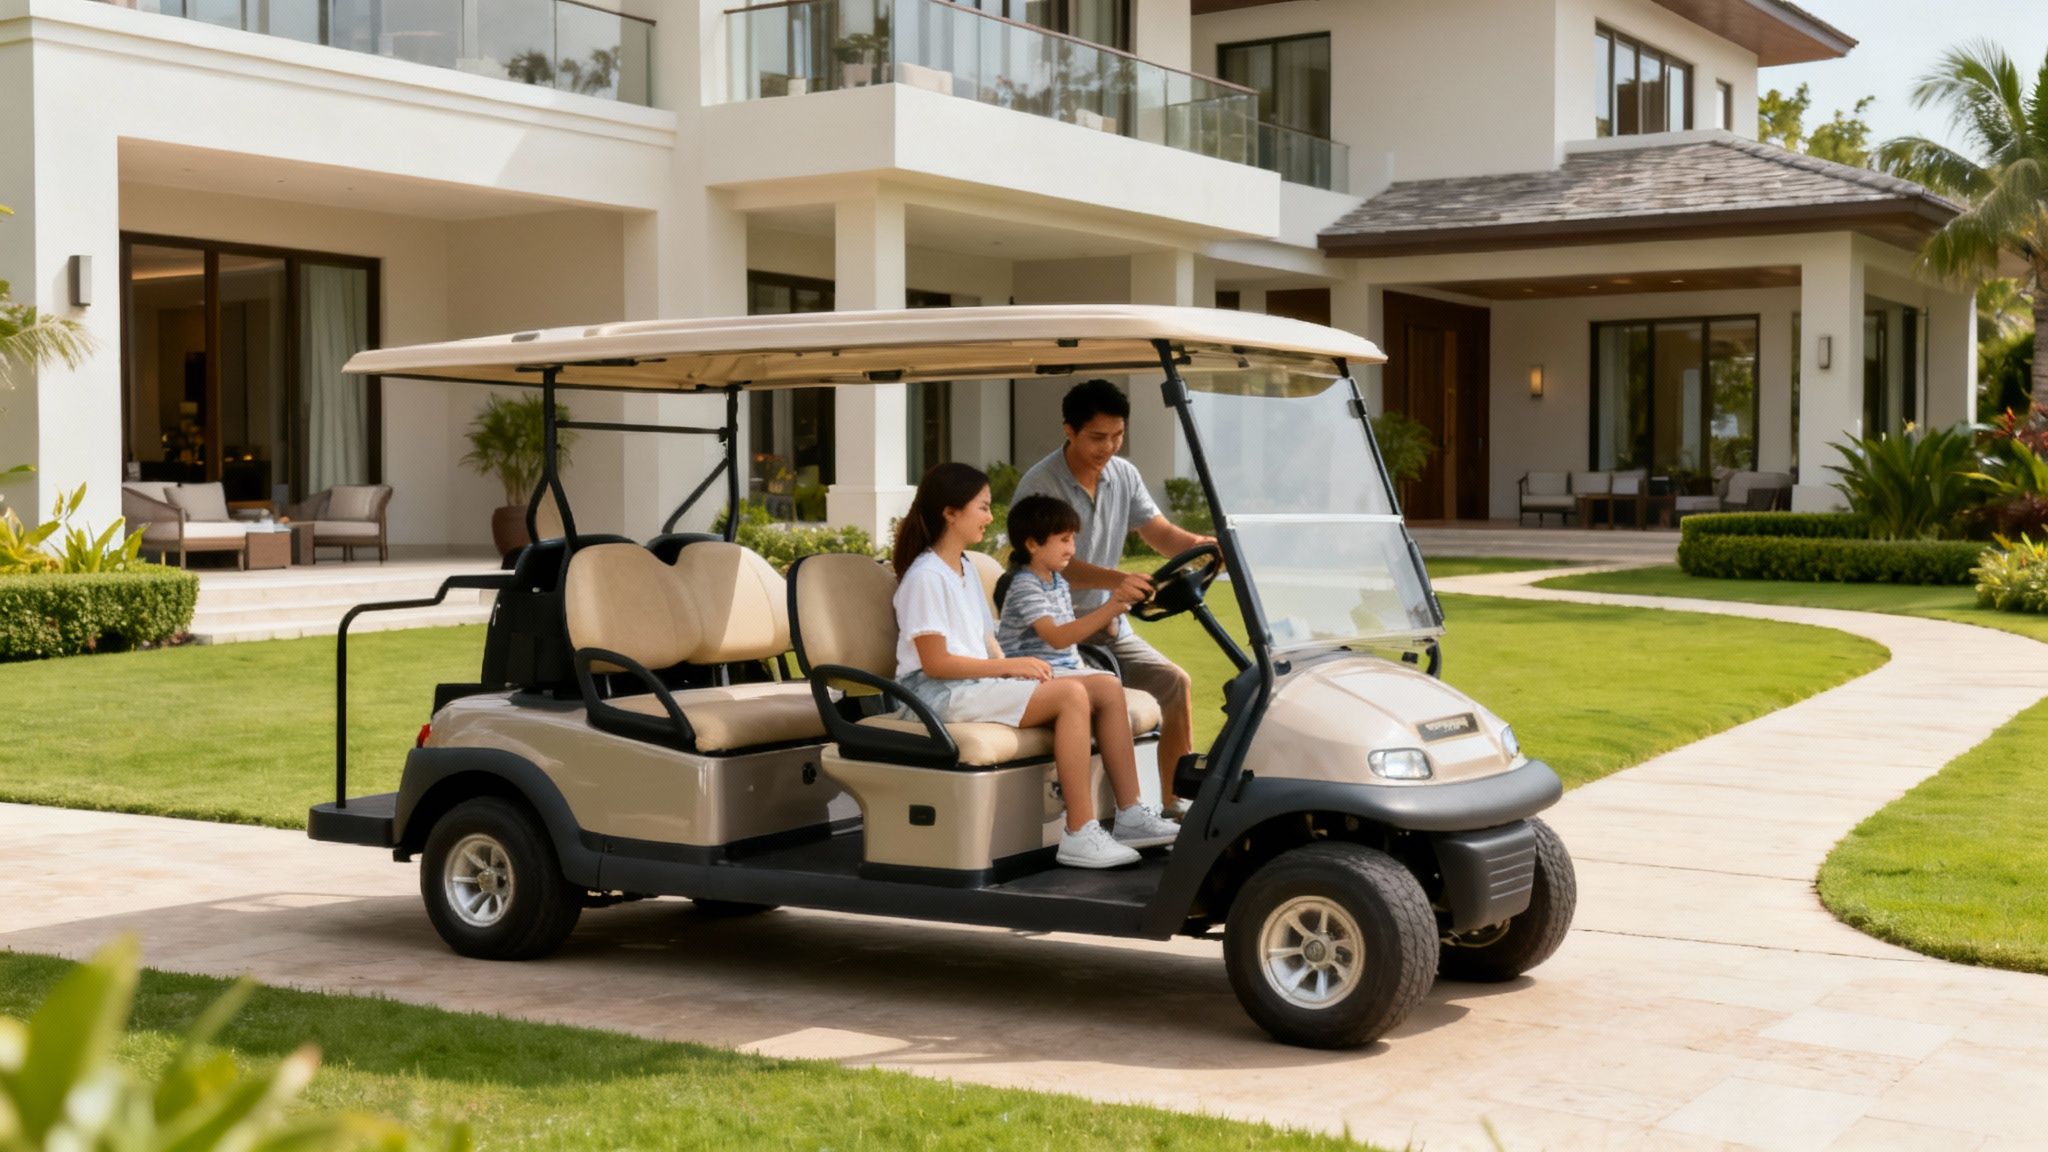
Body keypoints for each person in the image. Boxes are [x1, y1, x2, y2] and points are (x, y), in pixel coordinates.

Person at [891, 462, 1181, 869]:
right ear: (950, 513)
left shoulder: (965, 567)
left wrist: (1010, 666)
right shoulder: (926, 577)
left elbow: (986, 641)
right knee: (1071, 695)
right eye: (983, 507)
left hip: (968, 683)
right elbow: (935, 663)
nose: (990, 517)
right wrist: (1011, 668)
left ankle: (1131, 814)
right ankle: (1079, 832)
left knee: (1105, 685)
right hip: (931, 693)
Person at [1012, 379, 1214, 811]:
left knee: (1174, 683)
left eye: (1117, 435)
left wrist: (1205, 546)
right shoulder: (1041, 486)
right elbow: (1055, 566)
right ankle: (1119, 810)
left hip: (1107, 624)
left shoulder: (1123, 475)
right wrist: (1119, 583)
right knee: (1102, 697)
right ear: (1069, 430)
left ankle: (1175, 807)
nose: (1109, 447)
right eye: (1097, 437)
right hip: (1053, 634)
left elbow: (1160, 534)